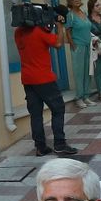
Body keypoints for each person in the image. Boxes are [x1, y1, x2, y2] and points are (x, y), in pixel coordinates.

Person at [14, 8, 75, 157]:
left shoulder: (18, 33)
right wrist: (59, 25)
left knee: (35, 114)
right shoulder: (39, 32)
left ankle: (40, 147)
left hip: (27, 79)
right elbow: (59, 43)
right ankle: (60, 144)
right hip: (44, 78)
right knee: (58, 109)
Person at [63, 0, 94, 105]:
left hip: (88, 45)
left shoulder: (83, 12)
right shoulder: (70, 15)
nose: (77, 0)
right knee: (79, 72)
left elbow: (88, 29)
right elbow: (68, 32)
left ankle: (86, 96)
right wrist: (73, 45)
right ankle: (79, 97)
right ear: (69, 2)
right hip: (78, 46)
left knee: (87, 71)